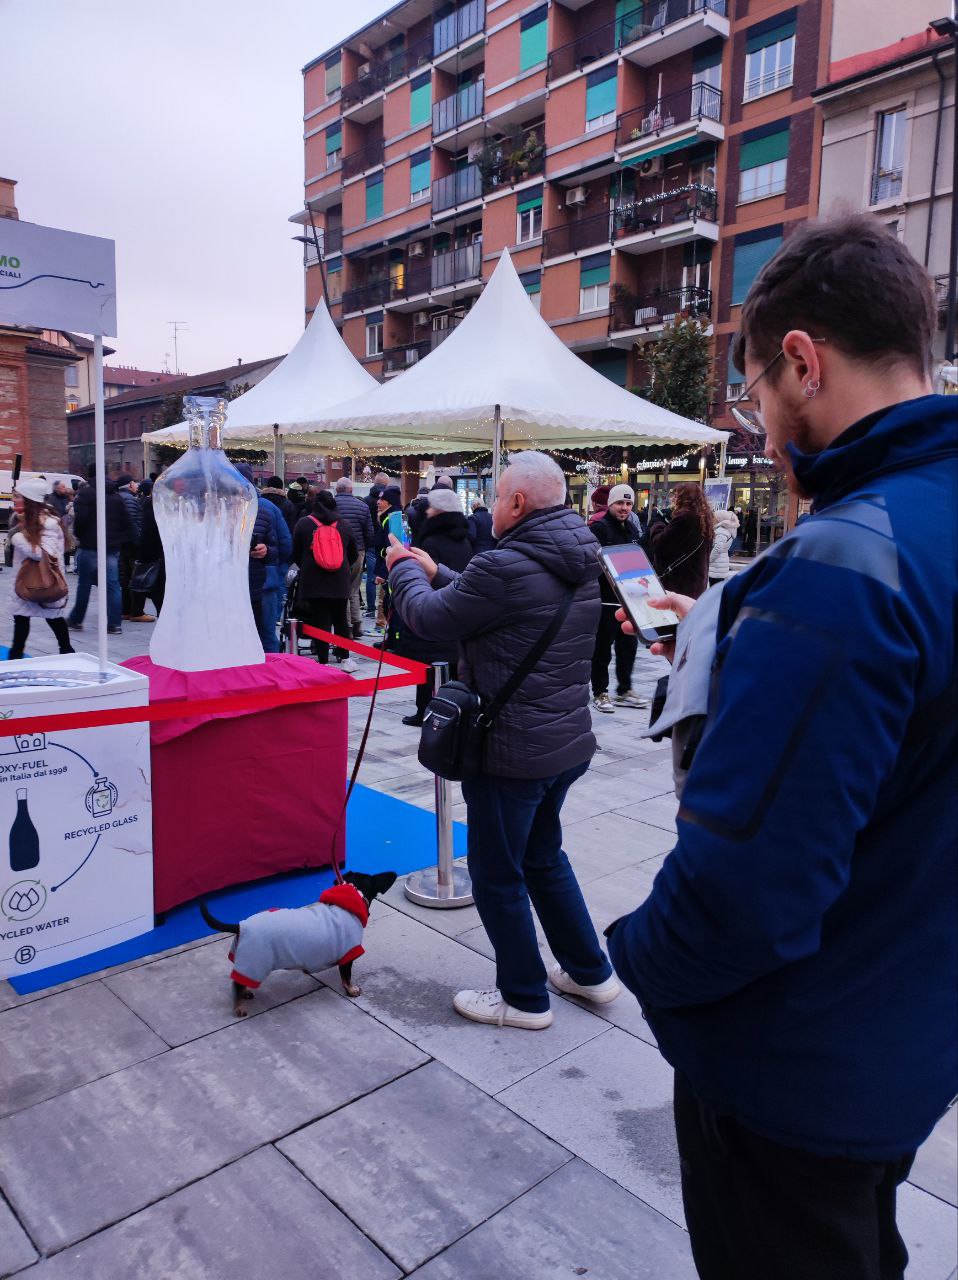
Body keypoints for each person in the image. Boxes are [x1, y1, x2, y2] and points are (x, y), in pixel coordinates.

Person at [605, 214, 957, 1280]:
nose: (758, 428)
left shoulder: (841, 562)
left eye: (755, 393)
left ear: (802, 361)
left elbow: (744, 888)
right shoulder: (906, 531)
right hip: (902, 1026)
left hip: (791, 1067)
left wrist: (641, 959)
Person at [386, 451, 620, 1029]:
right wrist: (441, 573)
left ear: (517, 503)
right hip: (563, 742)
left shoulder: (508, 563)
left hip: (512, 751)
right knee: (543, 856)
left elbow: (429, 620)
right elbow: (511, 600)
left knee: (497, 872)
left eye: (495, 497)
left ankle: (523, 997)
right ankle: (591, 973)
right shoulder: (578, 556)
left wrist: (403, 570)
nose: (489, 507)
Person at [388, 487, 474, 726]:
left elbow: (420, 576)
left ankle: (424, 711)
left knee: (426, 667)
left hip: (432, 608)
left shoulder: (428, 541)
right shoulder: (465, 539)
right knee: (454, 666)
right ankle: (452, 708)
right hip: (457, 612)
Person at [588, 483, 647, 713]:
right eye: (620, 503)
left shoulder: (632, 530)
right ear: (610, 504)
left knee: (628, 647)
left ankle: (624, 690)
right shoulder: (599, 529)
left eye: (628, 503)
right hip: (605, 600)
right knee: (602, 649)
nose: (624, 508)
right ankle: (600, 692)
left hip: (628, 600)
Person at [7, 480, 74, 659]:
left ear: (29, 500)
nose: (13, 500)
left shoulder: (49, 524)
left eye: (17, 497)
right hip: (26, 584)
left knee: (54, 620)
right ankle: (15, 659)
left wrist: (17, 538)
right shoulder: (24, 520)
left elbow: (41, 554)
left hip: (45, 583)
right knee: (21, 622)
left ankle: (68, 654)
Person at [291, 490, 357, 669]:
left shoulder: (304, 524)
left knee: (321, 621)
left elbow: (296, 553)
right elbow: (353, 554)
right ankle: (345, 659)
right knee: (341, 620)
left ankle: (323, 661)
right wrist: (340, 566)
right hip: (339, 580)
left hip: (314, 581)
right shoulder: (344, 524)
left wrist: (307, 566)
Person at [67, 471, 134, 634]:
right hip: (111, 547)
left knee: (84, 585)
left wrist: (81, 536)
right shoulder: (116, 497)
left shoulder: (86, 494)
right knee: (113, 585)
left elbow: (80, 520)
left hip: (90, 545)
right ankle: (114, 624)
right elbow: (126, 522)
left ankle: (76, 619)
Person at [233, 465, 278, 642]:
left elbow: (275, 549)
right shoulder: (217, 512)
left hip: (254, 585)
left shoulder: (264, 512)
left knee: (255, 636)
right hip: (225, 586)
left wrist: (266, 551)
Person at [647, 482, 713, 599]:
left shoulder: (685, 518)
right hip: (695, 584)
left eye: (676, 496)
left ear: (684, 498)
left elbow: (660, 544)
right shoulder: (704, 519)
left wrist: (657, 523)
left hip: (678, 585)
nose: (673, 499)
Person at [333, 476, 374, 640]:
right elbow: (369, 533)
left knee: (341, 588)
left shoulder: (331, 506)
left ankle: (347, 626)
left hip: (336, 552)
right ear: (351, 490)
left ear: (337, 490)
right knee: (354, 587)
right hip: (358, 551)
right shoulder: (363, 507)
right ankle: (357, 625)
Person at [364, 472, 390, 618]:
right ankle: (384, 609)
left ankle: (371, 609)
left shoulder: (366, 500)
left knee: (371, 576)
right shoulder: (389, 500)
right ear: (386, 484)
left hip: (371, 543)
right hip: (386, 543)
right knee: (386, 576)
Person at [707, 507, 739, 587]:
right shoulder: (725, 530)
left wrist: (709, 560)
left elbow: (718, 548)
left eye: (715, 518)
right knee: (716, 589)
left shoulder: (721, 531)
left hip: (717, 565)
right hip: (720, 563)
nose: (713, 519)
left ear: (720, 519)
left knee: (714, 590)